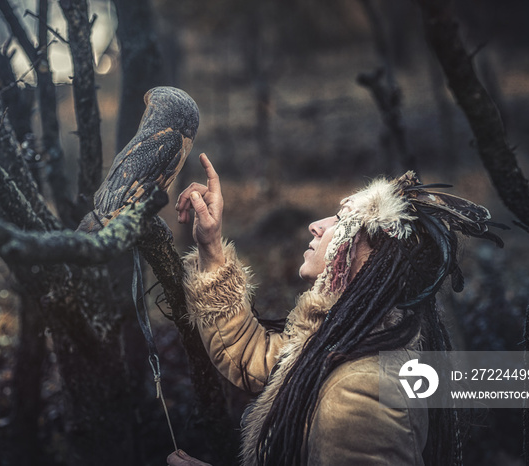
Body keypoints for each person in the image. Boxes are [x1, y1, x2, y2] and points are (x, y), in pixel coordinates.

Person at [169, 153, 503, 466]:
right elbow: (260, 362)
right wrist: (211, 246)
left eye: (341, 219)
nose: (316, 225)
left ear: (366, 257)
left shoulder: (363, 393)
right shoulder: (348, 335)